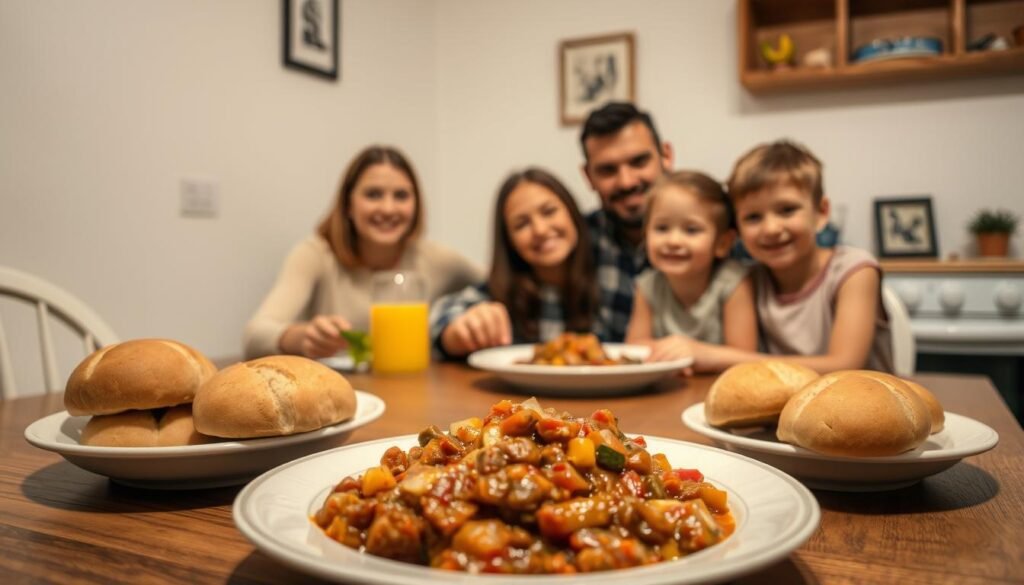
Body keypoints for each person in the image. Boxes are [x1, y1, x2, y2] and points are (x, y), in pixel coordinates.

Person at [244, 145, 482, 359]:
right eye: (373, 194)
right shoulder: (315, 254)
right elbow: (255, 334)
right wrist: (302, 336)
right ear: (348, 204)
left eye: (401, 196)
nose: (388, 208)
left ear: (416, 204)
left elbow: (500, 284)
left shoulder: (437, 259)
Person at [682, 139, 893, 374]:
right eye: (753, 217)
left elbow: (845, 366)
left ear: (821, 212)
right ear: (737, 228)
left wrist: (718, 357)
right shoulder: (748, 280)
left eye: (787, 210)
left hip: (862, 407)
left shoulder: (854, 271)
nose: (771, 228)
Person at [430, 168, 599, 358]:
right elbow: (440, 317)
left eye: (549, 211)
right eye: (522, 224)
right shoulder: (503, 292)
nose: (540, 230)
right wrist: (457, 331)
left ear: (572, 212)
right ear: (509, 241)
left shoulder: (608, 271)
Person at [624, 171, 758, 364]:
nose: (673, 241)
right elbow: (632, 348)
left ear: (722, 243)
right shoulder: (647, 285)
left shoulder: (732, 282)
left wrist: (695, 352)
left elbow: (745, 357)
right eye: (662, 228)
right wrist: (669, 351)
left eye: (691, 230)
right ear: (645, 235)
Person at [579, 101, 674, 341]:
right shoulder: (577, 238)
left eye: (639, 162)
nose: (627, 182)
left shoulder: (720, 230)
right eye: (608, 170)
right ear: (588, 176)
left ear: (666, 156)